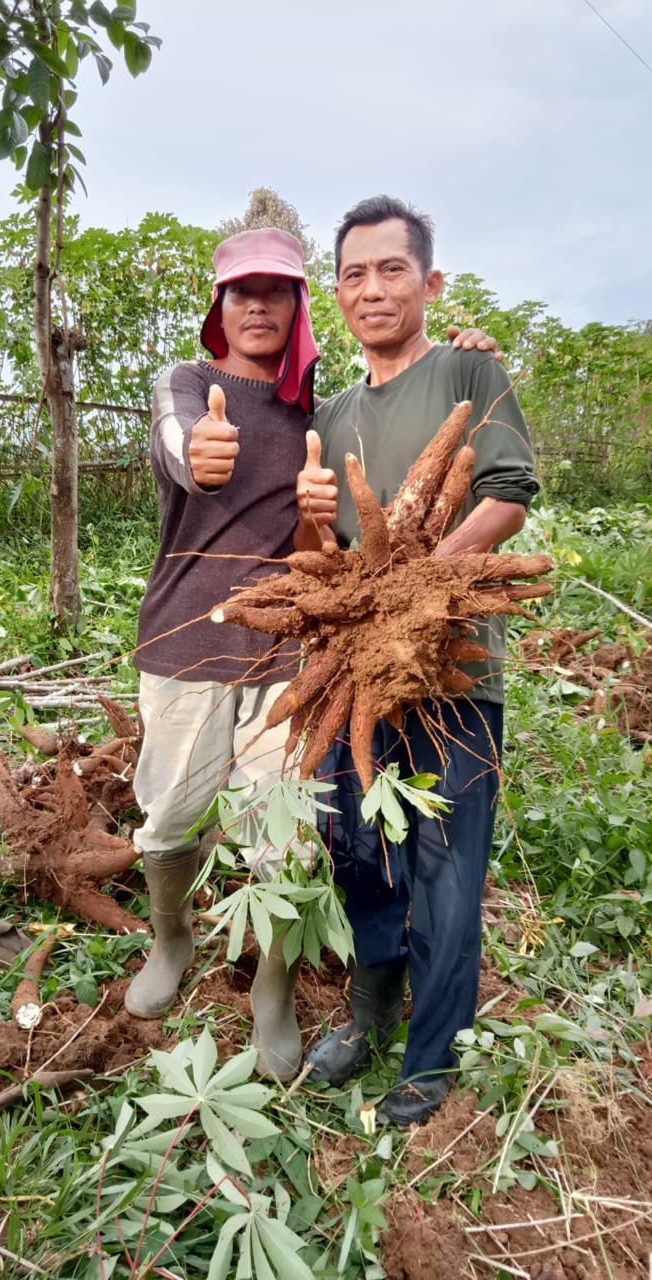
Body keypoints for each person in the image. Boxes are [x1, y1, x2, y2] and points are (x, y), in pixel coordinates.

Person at [125, 224, 501, 1082]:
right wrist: (201, 454)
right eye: (240, 292)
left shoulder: (315, 411)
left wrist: (464, 352)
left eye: (277, 291)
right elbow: (187, 447)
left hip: (288, 657)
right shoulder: (186, 385)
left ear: (299, 305)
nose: (258, 304)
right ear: (219, 307)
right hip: (182, 644)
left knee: (283, 842)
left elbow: (315, 536)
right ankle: (172, 940)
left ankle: (272, 987)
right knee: (170, 820)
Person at [295, 196, 540, 1123]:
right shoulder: (331, 409)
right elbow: (318, 548)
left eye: (392, 269)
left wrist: (421, 588)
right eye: (353, 273)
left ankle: (431, 1056)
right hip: (353, 675)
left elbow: (508, 494)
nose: (371, 289)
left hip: (454, 677)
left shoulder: (470, 370)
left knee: (443, 864)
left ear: (430, 283)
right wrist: (317, 517)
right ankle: (369, 1013)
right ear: (339, 292)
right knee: (357, 846)